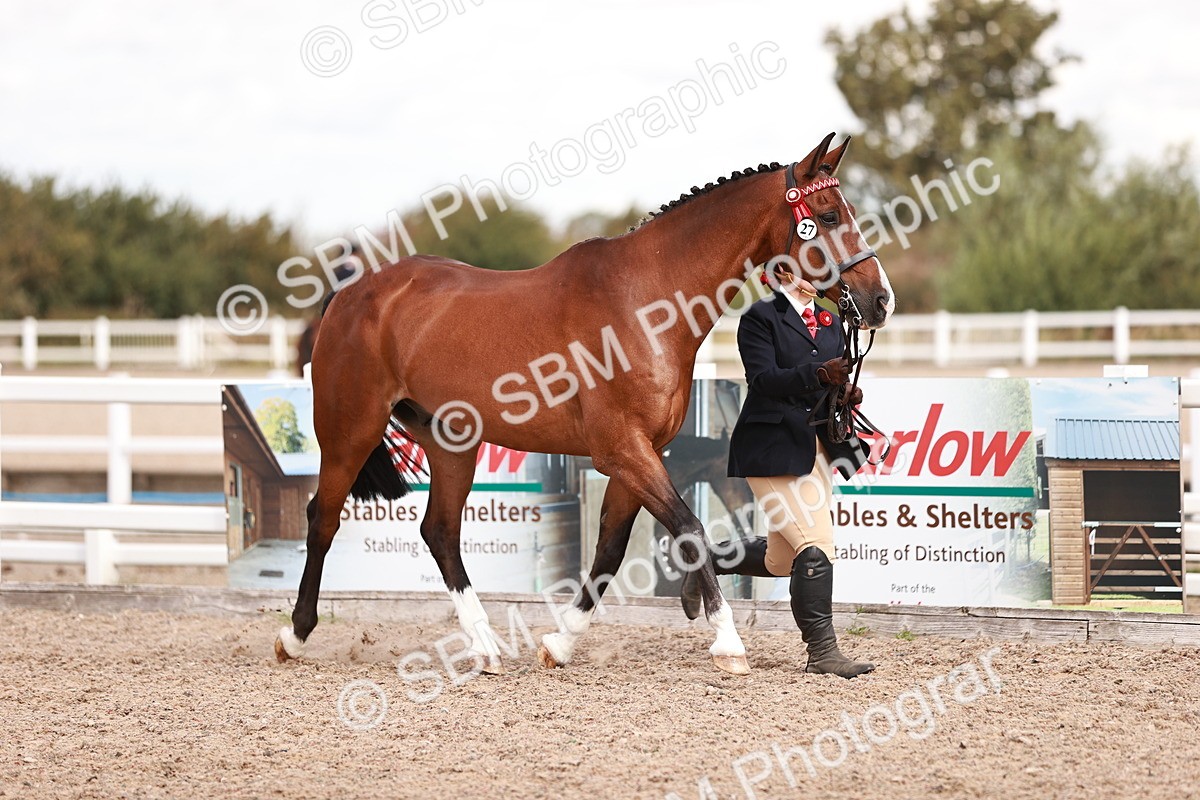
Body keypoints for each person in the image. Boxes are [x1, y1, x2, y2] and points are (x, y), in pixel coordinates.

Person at [680, 261, 874, 679]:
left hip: (817, 448)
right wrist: (817, 373)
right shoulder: (760, 317)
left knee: (782, 559)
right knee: (816, 546)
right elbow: (763, 380)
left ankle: (708, 559)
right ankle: (822, 652)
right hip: (770, 446)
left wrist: (843, 391)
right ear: (784, 273)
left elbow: (828, 384)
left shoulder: (831, 320)